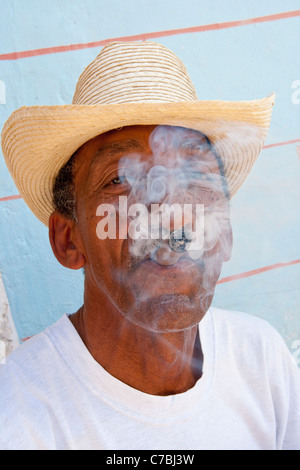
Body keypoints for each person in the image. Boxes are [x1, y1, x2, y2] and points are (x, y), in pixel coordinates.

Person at [0, 41, 299, 451]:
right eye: (120, 178)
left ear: (225, 232)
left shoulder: (263, 362)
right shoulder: (17, 419)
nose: (169, 210)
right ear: (69, 241)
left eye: (193, 174)